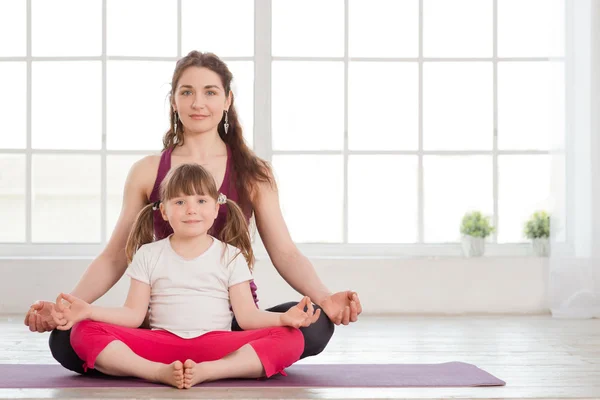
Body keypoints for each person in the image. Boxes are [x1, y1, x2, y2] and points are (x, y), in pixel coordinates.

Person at [25, 51, 362, 374]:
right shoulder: (148, 170)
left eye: (210, 92)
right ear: (174, 100)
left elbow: (285, 252)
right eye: (187, 92)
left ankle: (182, 364)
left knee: (315, 324)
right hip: (163, 322)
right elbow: (115, 255)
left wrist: (324, 297)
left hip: (232, 320)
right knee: (65, 339)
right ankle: (222, 366)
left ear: (227, 100)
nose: (198, 103)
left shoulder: (254, 172)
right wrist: (66, 310)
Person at [51, 163, 319, 389]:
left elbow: (247, 317)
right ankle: (156, 372)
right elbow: (133, 315)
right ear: (165, 211)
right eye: (180, 202)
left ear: (216, 209)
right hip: (160, 345)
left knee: (292, 338)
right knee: (83, 332)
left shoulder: (231, 255)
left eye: (201, 201)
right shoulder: (149, 253)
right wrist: (87, 310)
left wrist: (284, 318)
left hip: (216, 346)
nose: (191, 209)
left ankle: (209, 372)